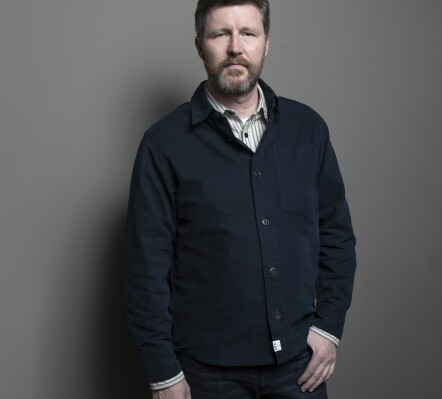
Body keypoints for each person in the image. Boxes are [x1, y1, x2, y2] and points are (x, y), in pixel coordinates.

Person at [124, 1, 356, 398]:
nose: (235, 47)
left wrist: (329, 327)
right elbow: (146, 266)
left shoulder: (308, 130)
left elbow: (336, 237)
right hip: (206, 376)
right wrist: (163, 372)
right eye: (220, 34)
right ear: (199, 44)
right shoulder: (163, 145)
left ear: (265, 44)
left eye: (248, 33)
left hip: (300, 368)